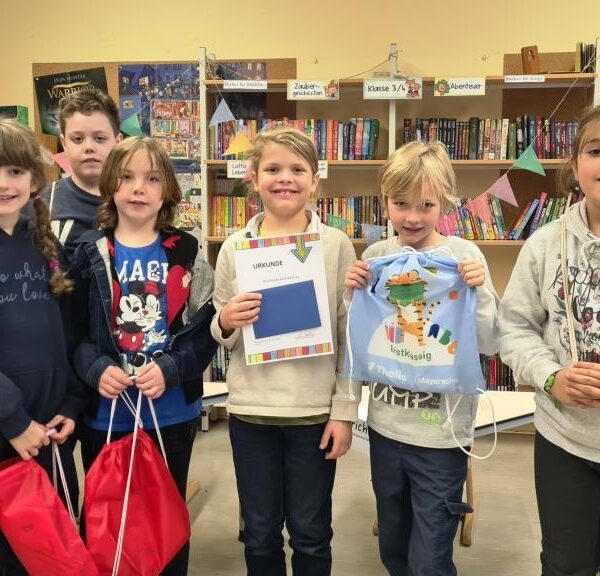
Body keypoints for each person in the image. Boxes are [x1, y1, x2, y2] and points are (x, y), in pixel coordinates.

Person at [345, 140, 499, 576]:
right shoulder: (376, 258)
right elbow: (357, 337)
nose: (412, 217)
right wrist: (350, 293)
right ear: (384, 202)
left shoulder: (465, 257)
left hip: (442, 438)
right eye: (401, 204)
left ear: (446, 202)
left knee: (430, 556)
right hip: (385, 430)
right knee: (393, 544)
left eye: (426, 205)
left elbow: (490, 340)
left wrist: (480, 290)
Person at [211, 127, 360, 576]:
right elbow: (219, 329)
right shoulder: (235, 248)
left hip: (313, 416)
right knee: (258, 532)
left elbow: (347, 333)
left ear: (315, 181)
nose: (285, 179)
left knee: (311, 533)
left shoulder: (334, 245)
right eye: (273, 169)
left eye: (298, 170)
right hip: (251, 413)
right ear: (253, 178)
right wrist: (227, 320)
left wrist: (343, 410)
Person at [72, 136, 217, 576]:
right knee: (108, 523)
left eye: (152, 178)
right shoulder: (87, 253)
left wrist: (172, 369)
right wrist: (96, 368)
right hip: (107, 417)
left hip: (171, 413)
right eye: (128, 177)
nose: (139, 188)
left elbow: (206, 330)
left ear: (167, 190)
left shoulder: (188, 252)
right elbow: (73, 334)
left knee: (166, 521)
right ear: (110, 186)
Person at [499, 105, 600, 576]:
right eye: (597, 150)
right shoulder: (545, 242)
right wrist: (550, 376)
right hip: (565, 443)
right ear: (575, 166)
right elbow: (514, 326)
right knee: (565, 564)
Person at [0, 119, 88, 574]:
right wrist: (14, 421)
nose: (3, 183)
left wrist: (72, 402)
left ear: (33, 177)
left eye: (14, 171)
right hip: (8, 432)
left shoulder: (47, 242)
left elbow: (68, 332)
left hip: (51, 432)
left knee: (54, 553)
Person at [42, 88, 122, 260]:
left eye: (100, 138)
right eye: (77, 139)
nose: (89, 147)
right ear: (64, 144)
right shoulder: (42, 205)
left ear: (118, 142)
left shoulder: (137, 203)